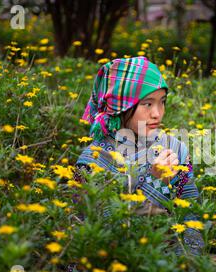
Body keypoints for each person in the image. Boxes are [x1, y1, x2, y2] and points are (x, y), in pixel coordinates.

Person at [72, 56, 204, 257]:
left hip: (166, 265)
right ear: (119, 106)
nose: (157, 114)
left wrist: (187, 265)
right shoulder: (93, 161)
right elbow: (108, 234)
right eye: (147, 104)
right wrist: (154, 180)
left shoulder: (174, 149)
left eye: (162, 102)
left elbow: (191, 214)